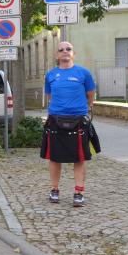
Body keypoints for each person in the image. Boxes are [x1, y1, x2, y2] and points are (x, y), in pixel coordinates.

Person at [40, 41, 96, 207]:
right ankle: (54, 190)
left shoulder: (84, 73)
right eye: (61, 50)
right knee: (54, 158)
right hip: (55, 120)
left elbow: (90, 95)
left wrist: (84, 108)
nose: (65, 51)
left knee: (79, 158)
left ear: (73, 53)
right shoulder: (50, 75)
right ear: (56, 55)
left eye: (68, 49)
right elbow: (50, 97)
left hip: (78, 121)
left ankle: (79, 192)